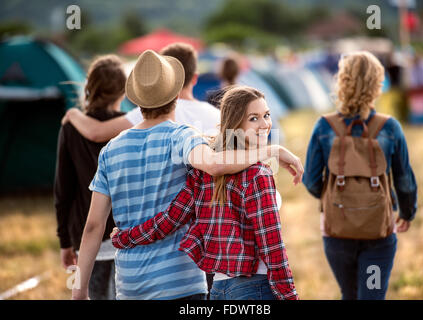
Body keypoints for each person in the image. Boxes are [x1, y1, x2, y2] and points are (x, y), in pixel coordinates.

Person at [71, 50, 303, 300]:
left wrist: (80, 289)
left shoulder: (110, 150)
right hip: (181, 284)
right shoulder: (183, 136)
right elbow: (213, 165)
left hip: (130, 285)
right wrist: (274, 150)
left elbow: (95, 226)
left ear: (136, 100)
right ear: (176, 94)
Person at [111, 85, 299, 300]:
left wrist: (125, 238)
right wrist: (289, 295)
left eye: (266, 115)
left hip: (218, 290)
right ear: (236, 124)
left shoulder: (202, 175)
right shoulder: (258, 174)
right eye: (253, 119)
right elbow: (272, 245)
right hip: (254, 287)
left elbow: (169, 220)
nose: (265, 124)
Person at [302, 51, 417, 300]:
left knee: (350, 293)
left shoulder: (324, 126)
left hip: (337, 233)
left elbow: (310, 181)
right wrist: (407, 212)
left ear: (342, 81)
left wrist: (335, 197)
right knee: (372, 295)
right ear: (378, 85)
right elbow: (404, 180)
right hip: (379, 232)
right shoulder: (389, 128)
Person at [54, 55, 126, 299]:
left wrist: (65, 241)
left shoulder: (71, 127)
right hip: (124, 231)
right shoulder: (130, 126)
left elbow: (63, 189)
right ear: (123, 91)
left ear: (90, 87)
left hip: (84, 234)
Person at [62, 42, 220, 141]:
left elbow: (97, 133)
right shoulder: (216, 115)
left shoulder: (151, 113)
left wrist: (73, 114)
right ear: (195, 78)